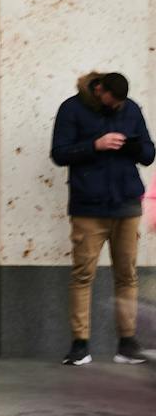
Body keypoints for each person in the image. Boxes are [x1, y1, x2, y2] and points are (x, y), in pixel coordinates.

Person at [50, 71, 152, 366]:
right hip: (88, 208)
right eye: (113, 99)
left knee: (127, 276)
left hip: (126, 205)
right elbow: (59, 153)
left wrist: (132, 146)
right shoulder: (71, 109)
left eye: (122, 101)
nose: (119, 105)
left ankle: (127, 343)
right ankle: (80, 344)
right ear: (99, 90)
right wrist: (95, 145)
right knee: (83, 276)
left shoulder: (130, 108)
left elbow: (148, 153)